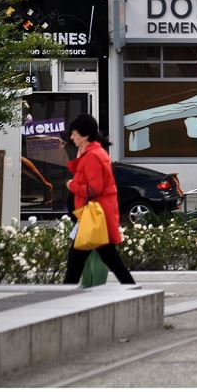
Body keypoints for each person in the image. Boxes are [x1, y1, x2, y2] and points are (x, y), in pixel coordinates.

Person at [62, 114, 136, 285]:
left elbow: (95, 188)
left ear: (85, 135)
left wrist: (71, 185)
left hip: (94, 216)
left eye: (74, 134)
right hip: (98, 215)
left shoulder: (93, 156)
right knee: (108, 258)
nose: (72, 137)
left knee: (77, 259)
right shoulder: (94, 153)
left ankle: (65, 292)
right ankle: (131, 287)